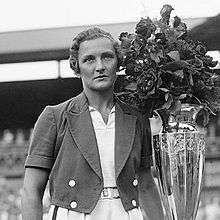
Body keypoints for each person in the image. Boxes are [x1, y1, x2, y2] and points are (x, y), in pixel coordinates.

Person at [21, 27, 164, 220]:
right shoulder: (54, 117)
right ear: (77, 67)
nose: (100, 67)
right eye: (89, 59)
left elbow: (146, 184)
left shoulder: (137, 118)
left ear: (118, 63)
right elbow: (32, 190)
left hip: (127, 213)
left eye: (107, 57)